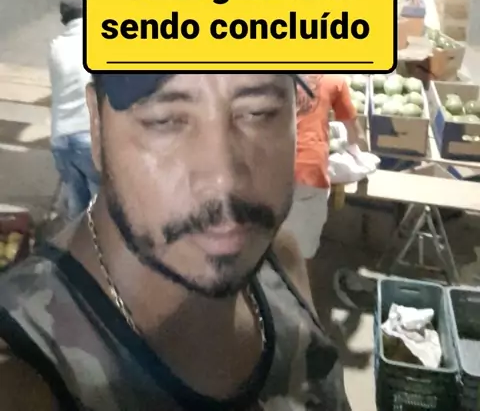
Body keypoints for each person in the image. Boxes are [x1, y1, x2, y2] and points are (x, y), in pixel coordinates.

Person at [0, 72, 351, 411]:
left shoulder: (280, 262)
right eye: (165, 120)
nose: (224, 180)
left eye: (259, 113)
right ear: (96, 125)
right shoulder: (23, 369)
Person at [283, 74, 363, 265]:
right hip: (309, 172)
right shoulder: (335, 80)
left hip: (271, 170)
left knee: (265, 247)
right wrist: (360, 152)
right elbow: (355, 133)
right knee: (301, 253)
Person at [49, 0, 99, 219]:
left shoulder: (55, 46)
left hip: (60, 139)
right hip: (87, 136)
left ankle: (75, 239)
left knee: (77, 206)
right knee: (101, 207)